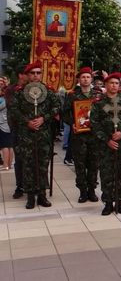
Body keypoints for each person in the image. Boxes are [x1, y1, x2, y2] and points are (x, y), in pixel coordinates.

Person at [10, 62, 61, 209]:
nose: (36, 76)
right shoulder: (20, 92)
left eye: (38, 73)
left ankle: (42, 196)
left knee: (43, 165)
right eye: (32, 73)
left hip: (44, 135)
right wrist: (27, 122)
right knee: (28, 166)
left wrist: (43, 118)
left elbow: (56, 106)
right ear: (27, 75)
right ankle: (30, 197)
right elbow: (14, 110)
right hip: (26, 135)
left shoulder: (49, 90)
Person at [90, 73, 121, 215]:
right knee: (106, 173)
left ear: (119, 85)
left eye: (116, 83)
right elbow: (94, 124)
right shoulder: (99, 103)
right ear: (105, 85)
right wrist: (107, 139)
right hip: (106, 146)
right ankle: (108, 203)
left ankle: (120, 201)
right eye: (111, 83)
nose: (114, 85)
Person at [63, 67, 102, 203]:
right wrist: (72, 123)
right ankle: (82, 192)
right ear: (79, 79)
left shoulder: (98, 94)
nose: (85, 79)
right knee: (80, 164)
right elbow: (65, 113)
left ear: (91, 79)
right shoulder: (72, 95)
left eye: (88, 77)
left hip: (94, 135)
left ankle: (92, 190)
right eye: (83, 77)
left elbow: (103, 112)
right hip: (78, 135)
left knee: (93, 164)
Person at [5, 65, 28, 199]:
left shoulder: (32, 88)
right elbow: (13, 107)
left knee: (32, 159)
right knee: (19, 159)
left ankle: (33, 185)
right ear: (20, 75)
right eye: (27, 73)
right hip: (17, 128)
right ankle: (20, 186)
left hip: (31, 129)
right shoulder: (11, 90)